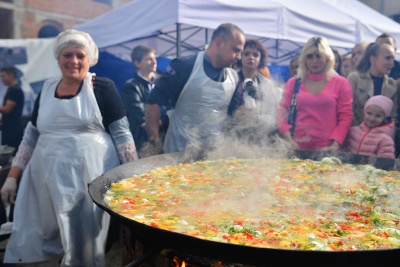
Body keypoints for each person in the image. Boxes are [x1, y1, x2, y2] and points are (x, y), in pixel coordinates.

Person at [0, 29, 138, 266]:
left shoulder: (102, 87)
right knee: (40, 235)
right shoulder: (45, 89)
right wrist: (13, 176)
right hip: (43, 180)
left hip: (87, 180)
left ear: (89, 59)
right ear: (58, 58)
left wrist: (134, 178)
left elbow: (122, 135)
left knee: (83, 241)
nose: (73, 61)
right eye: (67, 55)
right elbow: (31, 134)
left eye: (80, 55)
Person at [144, 23, 245, 155]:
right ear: (219, 43)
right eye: (236, 50)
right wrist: (154, 141)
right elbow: (153, 101)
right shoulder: (184, 65)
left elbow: (236, 114)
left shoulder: (234, 78)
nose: (239, 57)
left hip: (215, 155)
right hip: (177, 154)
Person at [276, 36, 353, 151]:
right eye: (310, 56)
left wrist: (336, 144)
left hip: (328, 150)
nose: (314, 61)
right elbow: (281, 113)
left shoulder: (341, 83)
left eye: (319, 56)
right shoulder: (293, 83)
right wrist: (289, 141)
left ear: (327, 58)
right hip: (296, 149)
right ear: (304, 59)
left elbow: (345, 117)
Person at [228, 39, 282, 145]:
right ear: (240, 56)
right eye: (246, 54)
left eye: (255, 54)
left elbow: (274, 119)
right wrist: (234, 115)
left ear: (261, 58)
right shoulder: (229, 80)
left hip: (260, 143)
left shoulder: (268, 85)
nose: (251, 57)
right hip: (232, 141)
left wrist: (257, 118)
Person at [123, 45, 169, 155]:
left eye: (154, 58)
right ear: (137, 63)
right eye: (149, 59)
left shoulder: (162, 83)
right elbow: (137, 111)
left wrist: (162, 120)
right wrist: (156, 119)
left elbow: (170, 106)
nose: (154, 62)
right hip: (142, 139)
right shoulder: (131, 86)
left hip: (164, 137)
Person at [347, 42, 399, 126]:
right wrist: (358, 132)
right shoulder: (355, 78)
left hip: (382, 136)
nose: (391, 63)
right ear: (373, 59)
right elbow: (349, 109)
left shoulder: (392, 85)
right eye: (388, 58)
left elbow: (393, 118)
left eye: (392, 59)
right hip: (355, 134)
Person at [0, 66, 24, 152]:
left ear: (11, 75)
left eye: (3, 76)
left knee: (10, 154)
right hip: (8, 128)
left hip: (13, 130)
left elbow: (7, 109)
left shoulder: (15, 91)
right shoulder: (11, 90)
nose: (1, 79)